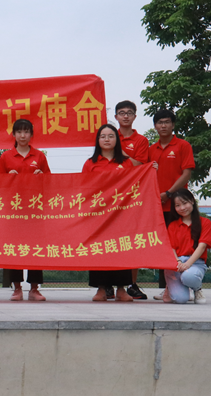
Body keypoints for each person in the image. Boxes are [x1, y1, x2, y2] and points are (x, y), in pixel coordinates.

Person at [0, 118, 49, 302]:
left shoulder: (39, 156)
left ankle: (34, 288)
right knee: (14, 248)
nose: (23, 135)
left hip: (35, 210)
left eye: (26, 132)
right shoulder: (6, 157)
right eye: (19, 132)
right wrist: (7, 178)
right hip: (14, 210)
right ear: (14, 134)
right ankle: (16, 287)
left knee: (36, 248)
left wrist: (41, 176)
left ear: (31, 134)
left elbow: (50, 182)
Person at [82, 124, 135, 302]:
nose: (106, 139)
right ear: (98, 140)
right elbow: (84, 187)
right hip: (98, 214)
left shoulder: (126, 163)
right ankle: (101, 289)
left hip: (120, 214)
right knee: (99, 250)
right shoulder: (90, 163)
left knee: (121, 248)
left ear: (117, 140)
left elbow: (133, 185)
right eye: (103, 136)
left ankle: (121, 289)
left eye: (111, 136)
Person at [148, 109, 195, 299]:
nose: (163, 126)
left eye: (167, 122)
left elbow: (186, 173)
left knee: (178, 246)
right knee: (162, 247)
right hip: (156, 207)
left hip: (177, 207)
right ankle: (167, 287)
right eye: (159, 122)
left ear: (173, 125)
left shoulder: (183, 145)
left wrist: (168, 194)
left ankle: (186, 285)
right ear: (155, 126)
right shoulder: (151, 149)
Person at [114, 100, 151, 300]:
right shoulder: (109, 136)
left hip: (133, 197)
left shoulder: (141, 141)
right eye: (122, 113)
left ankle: (131, 284)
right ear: (116, 117)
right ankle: (107, 284)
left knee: (131, 241)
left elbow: (141, 166)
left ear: (135, 116)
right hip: (110, 197)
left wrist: (121, 155)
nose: (125, 116)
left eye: (129, 113)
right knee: (108, 241)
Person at [163, 189, 211, 304]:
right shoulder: (173, 225)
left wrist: (187, 264)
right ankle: (171, 286)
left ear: (192, 201)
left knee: (189, 276)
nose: (182, 208)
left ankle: (197, 289)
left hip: (195, 263)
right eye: (177, 205)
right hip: (176, 264)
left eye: (185, 203)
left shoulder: (205, 223)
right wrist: (178, 262)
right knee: (180, 299)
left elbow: (202, 246)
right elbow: (171, 248)